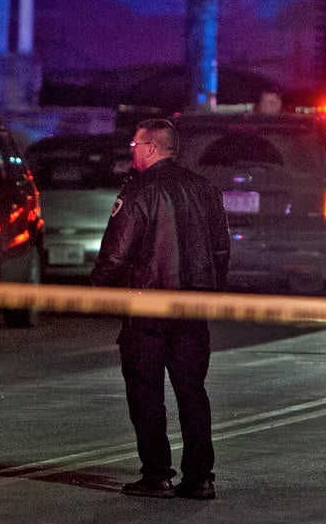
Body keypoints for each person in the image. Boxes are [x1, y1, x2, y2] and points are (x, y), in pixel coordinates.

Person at [91, 118, 231, 500]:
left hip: (149, 306)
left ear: (151, 147)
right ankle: (199, 477)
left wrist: (94, 292)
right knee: (192, 391)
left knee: (146, 391)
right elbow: (221, 250)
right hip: (191, 306)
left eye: (135, 145)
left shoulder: (139, 191)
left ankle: (157, 475)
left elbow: (117, 252)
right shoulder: (204, 189)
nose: (132, 151)